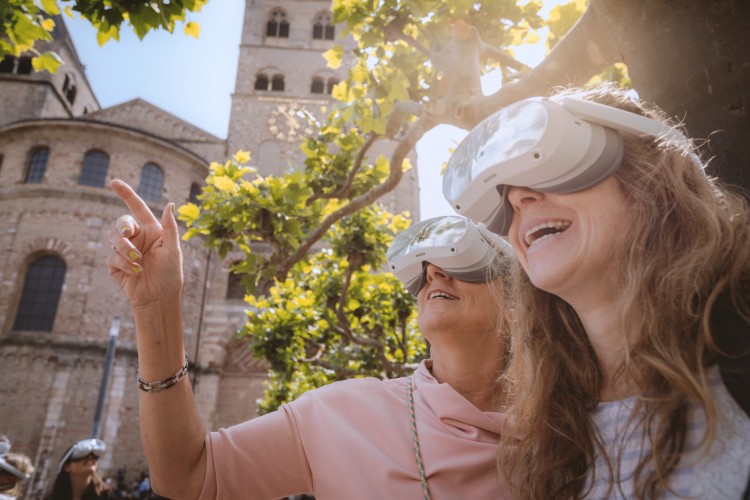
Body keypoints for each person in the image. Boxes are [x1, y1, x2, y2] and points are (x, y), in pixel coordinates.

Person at [106, 183, 514, 500]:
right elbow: (188, 477)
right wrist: (157, 308)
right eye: (423, 271)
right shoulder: (342, 413)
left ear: (519, 303)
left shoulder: (572, 419)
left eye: (465, 261)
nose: (433, 276)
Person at [443, 83, 750, 498]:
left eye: (551, 161)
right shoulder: (549, 434)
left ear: (650, 175)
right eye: (502, 195)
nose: (517, 198)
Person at [47, 439, 112, 500]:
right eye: (82, 455)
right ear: (67, 467)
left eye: (95, 455)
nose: (90, 457)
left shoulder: (107, 496)